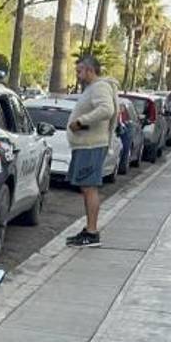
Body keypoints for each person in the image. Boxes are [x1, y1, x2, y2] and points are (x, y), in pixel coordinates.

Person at [65, 55, 119, 248]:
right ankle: (89, 229)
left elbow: (106, 109)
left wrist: (81, 121)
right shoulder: (93, 88)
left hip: (91, 145)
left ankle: (92, 232)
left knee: (89, 188)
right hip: (86, 145)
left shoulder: (99, 87)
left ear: (89, 70)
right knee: (86, 187)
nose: (78, 75)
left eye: (79, 71)